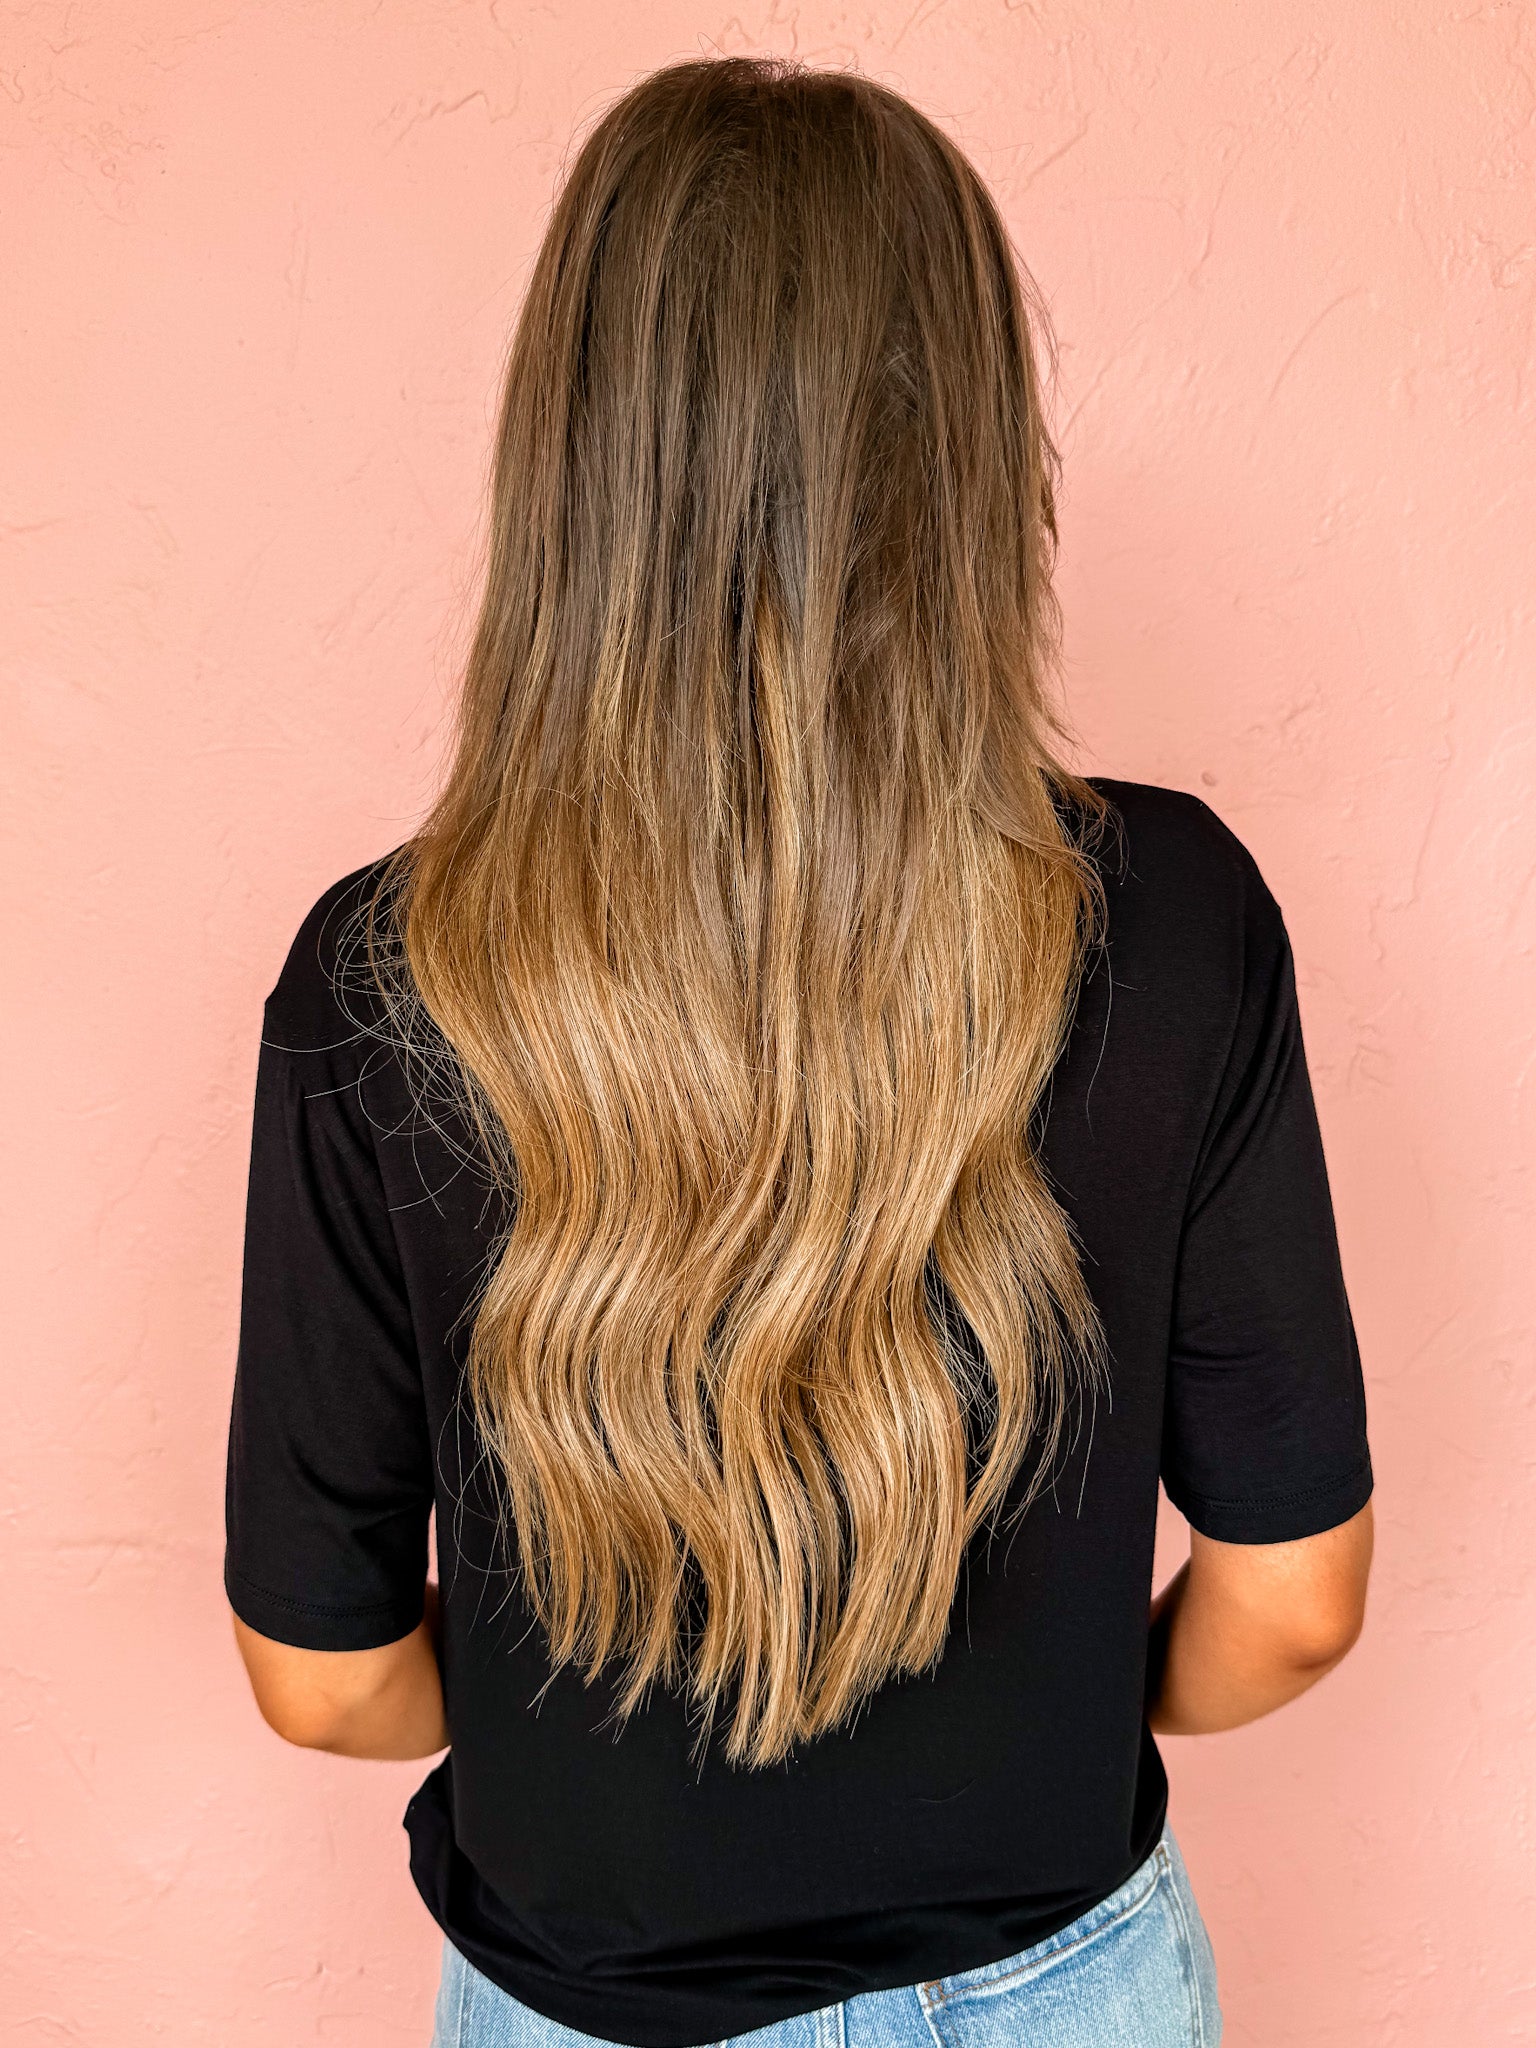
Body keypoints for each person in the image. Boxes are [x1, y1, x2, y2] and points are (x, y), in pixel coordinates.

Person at [223, 54, 1374, 2048]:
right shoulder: (1175, 915)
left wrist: (572, 1738)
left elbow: (324, 1679)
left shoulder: (382, 978)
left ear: (576, 462)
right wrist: (1045, 1719)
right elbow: (1291, 1600)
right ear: (968, 452)